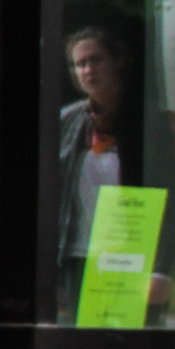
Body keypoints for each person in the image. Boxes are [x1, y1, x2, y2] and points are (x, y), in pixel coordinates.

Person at [57, 27, 142, 317]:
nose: (87, 70)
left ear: (118, 61)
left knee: (122, 346)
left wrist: (162, 270)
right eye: (80, 64)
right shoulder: (67, 121)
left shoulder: (144, 120)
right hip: (78, 254)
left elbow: (172, 199)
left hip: (126, 254)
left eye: (95, 60)